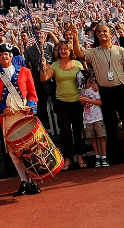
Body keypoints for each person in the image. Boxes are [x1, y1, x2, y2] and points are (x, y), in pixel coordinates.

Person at [73, 23, 124, 163]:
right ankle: (114, 156)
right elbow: (79, 53)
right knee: (110, 124)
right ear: (96, 35)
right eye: (99, 32)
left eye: (105, 31)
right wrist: (75, 37)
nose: (102, 33)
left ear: (111, 34)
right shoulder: (93, 52)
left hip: (120, 89)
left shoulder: (120, 50)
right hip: (104, 92)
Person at [0, 42, 40, 195]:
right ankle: (23, 180)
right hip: (8, 117)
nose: (5, 57)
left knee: (29, 148)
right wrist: (3, 109)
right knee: (14, 150)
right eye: (1, 55)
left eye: (7, 54)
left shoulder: (25, 71)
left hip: (24, 115)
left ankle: (33, 179)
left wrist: (29, 105)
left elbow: (32, 94)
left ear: (12, 56)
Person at [40, 39, 86, 169]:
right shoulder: (54, 65)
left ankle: (80, 156)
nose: (63, 51)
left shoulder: (78, 64)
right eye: (60, 49)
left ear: (71, 50)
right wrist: (42, 67)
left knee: (78, 129)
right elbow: (44, 78)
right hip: (61, 102)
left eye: (65, 48)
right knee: (65, 131)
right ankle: (67, 157)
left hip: (77, 101)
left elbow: (84, 82)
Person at [78, 71, 106, 167]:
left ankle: (104, 156)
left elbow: (99, 102)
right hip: (88, 118)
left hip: (97, 117)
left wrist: (86, 100)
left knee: (101, 137)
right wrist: (82, 102)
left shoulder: (94, 89)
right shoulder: (82, 91)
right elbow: (83, 104)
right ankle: (97, 156)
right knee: (93, 138)